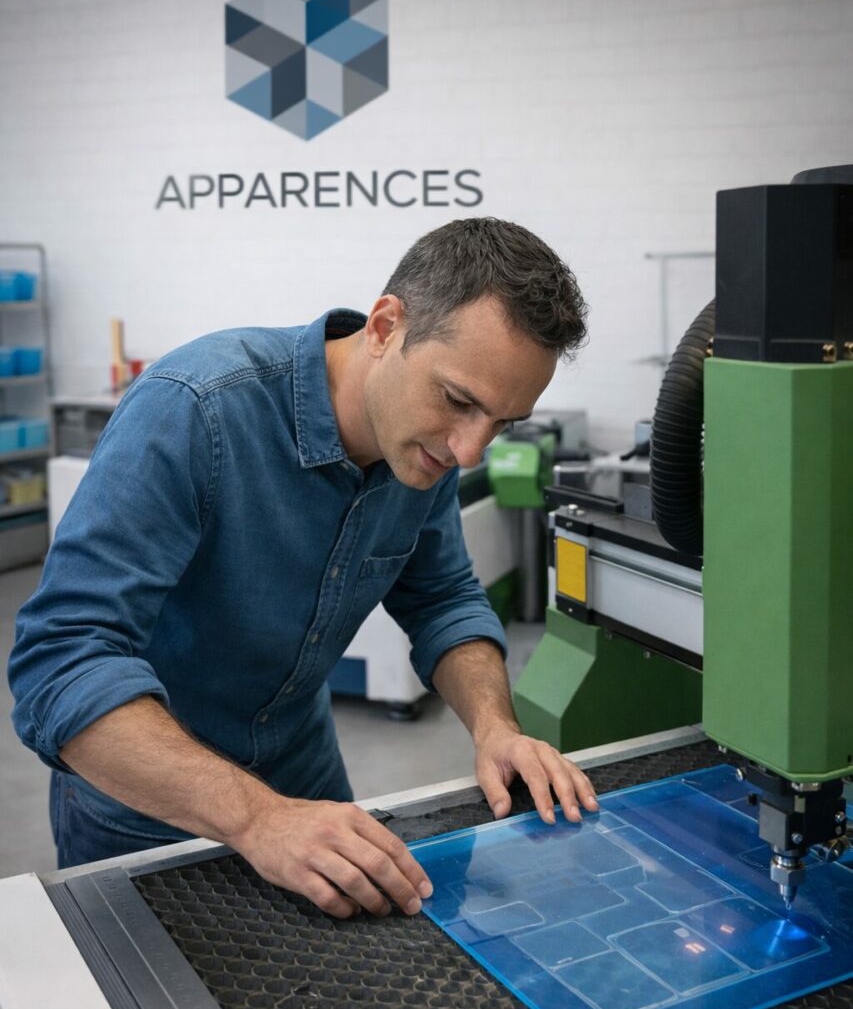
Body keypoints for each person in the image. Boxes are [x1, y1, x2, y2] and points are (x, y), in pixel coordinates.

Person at [9, 217, 598, 920]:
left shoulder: (426, 445)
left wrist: (495, 727)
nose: (470, 450)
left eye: (500, 423)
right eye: (459, 401)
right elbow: (61, 662)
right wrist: (257, 818)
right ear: (385, 327)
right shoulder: (196, 410)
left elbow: (441, 597)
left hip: (305, 777)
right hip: (147, 804)